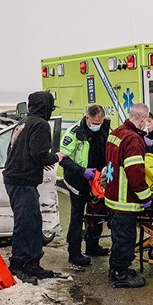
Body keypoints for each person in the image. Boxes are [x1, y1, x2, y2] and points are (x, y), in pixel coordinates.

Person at [2, 91, 64, 281]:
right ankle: (18, 265)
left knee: (34, 223)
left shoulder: (23, 123)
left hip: (17, 179)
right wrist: (55, 157)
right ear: (45, 107)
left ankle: (32, 263)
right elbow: (39, 153)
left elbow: (20, 151)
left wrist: (38, 161)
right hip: (22, 181)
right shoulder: (40, 124)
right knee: (26, 225)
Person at [104, 103, 153, 288]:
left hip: (112, 196)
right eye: (146, 120)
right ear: (143, 119)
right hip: (125, 199)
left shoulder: (116, 133)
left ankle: (115, 269)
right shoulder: (133, 139)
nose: (146, 124)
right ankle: (121, 274)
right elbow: (135, 172)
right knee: (125, 239)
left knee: (118, 238)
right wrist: (146, 197)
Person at [59, 104, 111, 267]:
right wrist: (82, 171)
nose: (97, 126)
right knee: (77, 215)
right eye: (95, 123)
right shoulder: (74, 132)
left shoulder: (105, 128)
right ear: (87, 118)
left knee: (97, 213)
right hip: (78, 180)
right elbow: (63, 159)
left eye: (100, 123)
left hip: (98, 179)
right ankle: (74, 253)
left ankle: (92, 246)